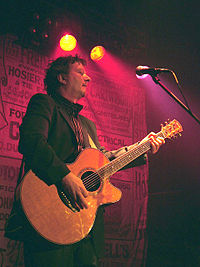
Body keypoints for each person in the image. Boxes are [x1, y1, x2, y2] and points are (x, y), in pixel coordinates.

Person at [5, 55, 164, 267]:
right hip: (49, 220)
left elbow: (103, 161)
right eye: (80, 72)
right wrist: (64, 176)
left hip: (85, 227)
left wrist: (141, 146)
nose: (87, 78)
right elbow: (31, 141)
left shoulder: (87, 125)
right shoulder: (45, 103)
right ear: (61, 78)